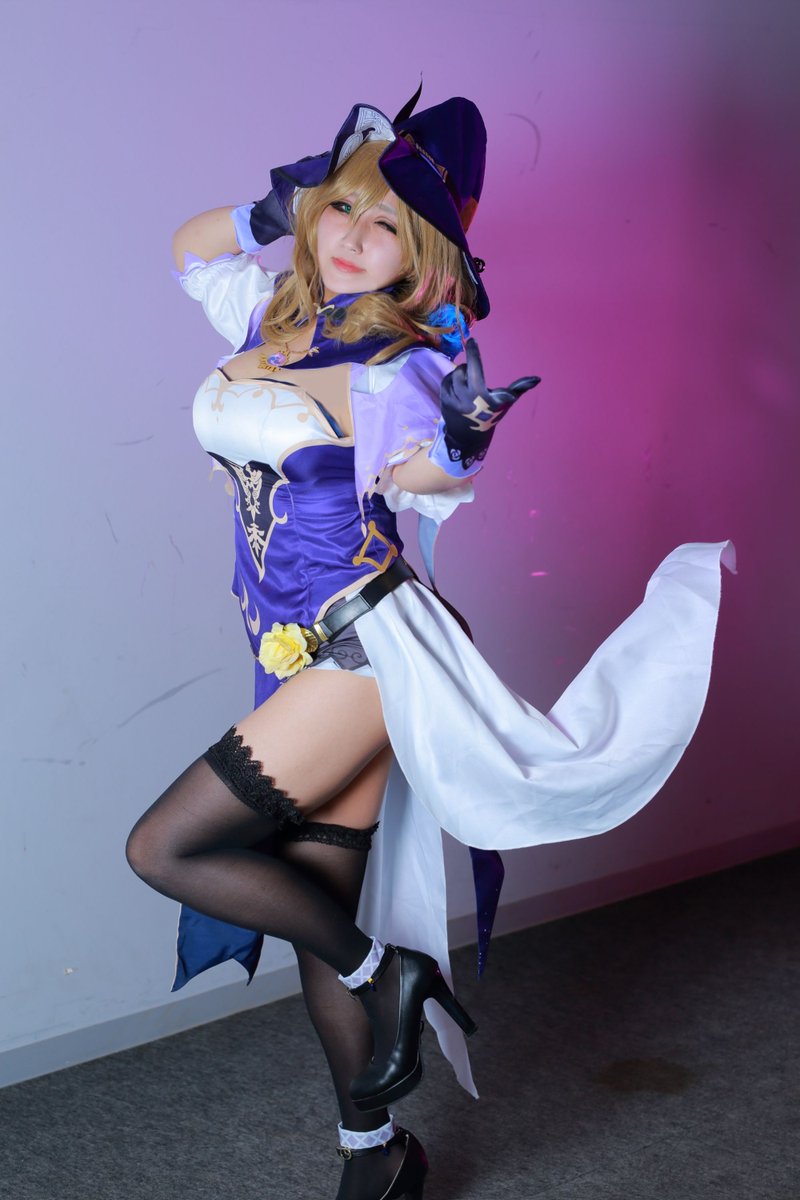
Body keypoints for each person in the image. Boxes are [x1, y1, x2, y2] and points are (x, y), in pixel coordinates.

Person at [126, 92, 733, 1200]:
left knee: (165, 847)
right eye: (343, 208)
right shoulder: (268, 316)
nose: (354, 236)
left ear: (422, 258)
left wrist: (459, 441)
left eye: (387, 226)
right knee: (319, 908)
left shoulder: (396, 364)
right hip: (289, 652)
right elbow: (186, 250)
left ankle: (390, 972)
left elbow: (421, 474)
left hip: (363, 648)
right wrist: (271, 205)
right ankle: (378, 1157)